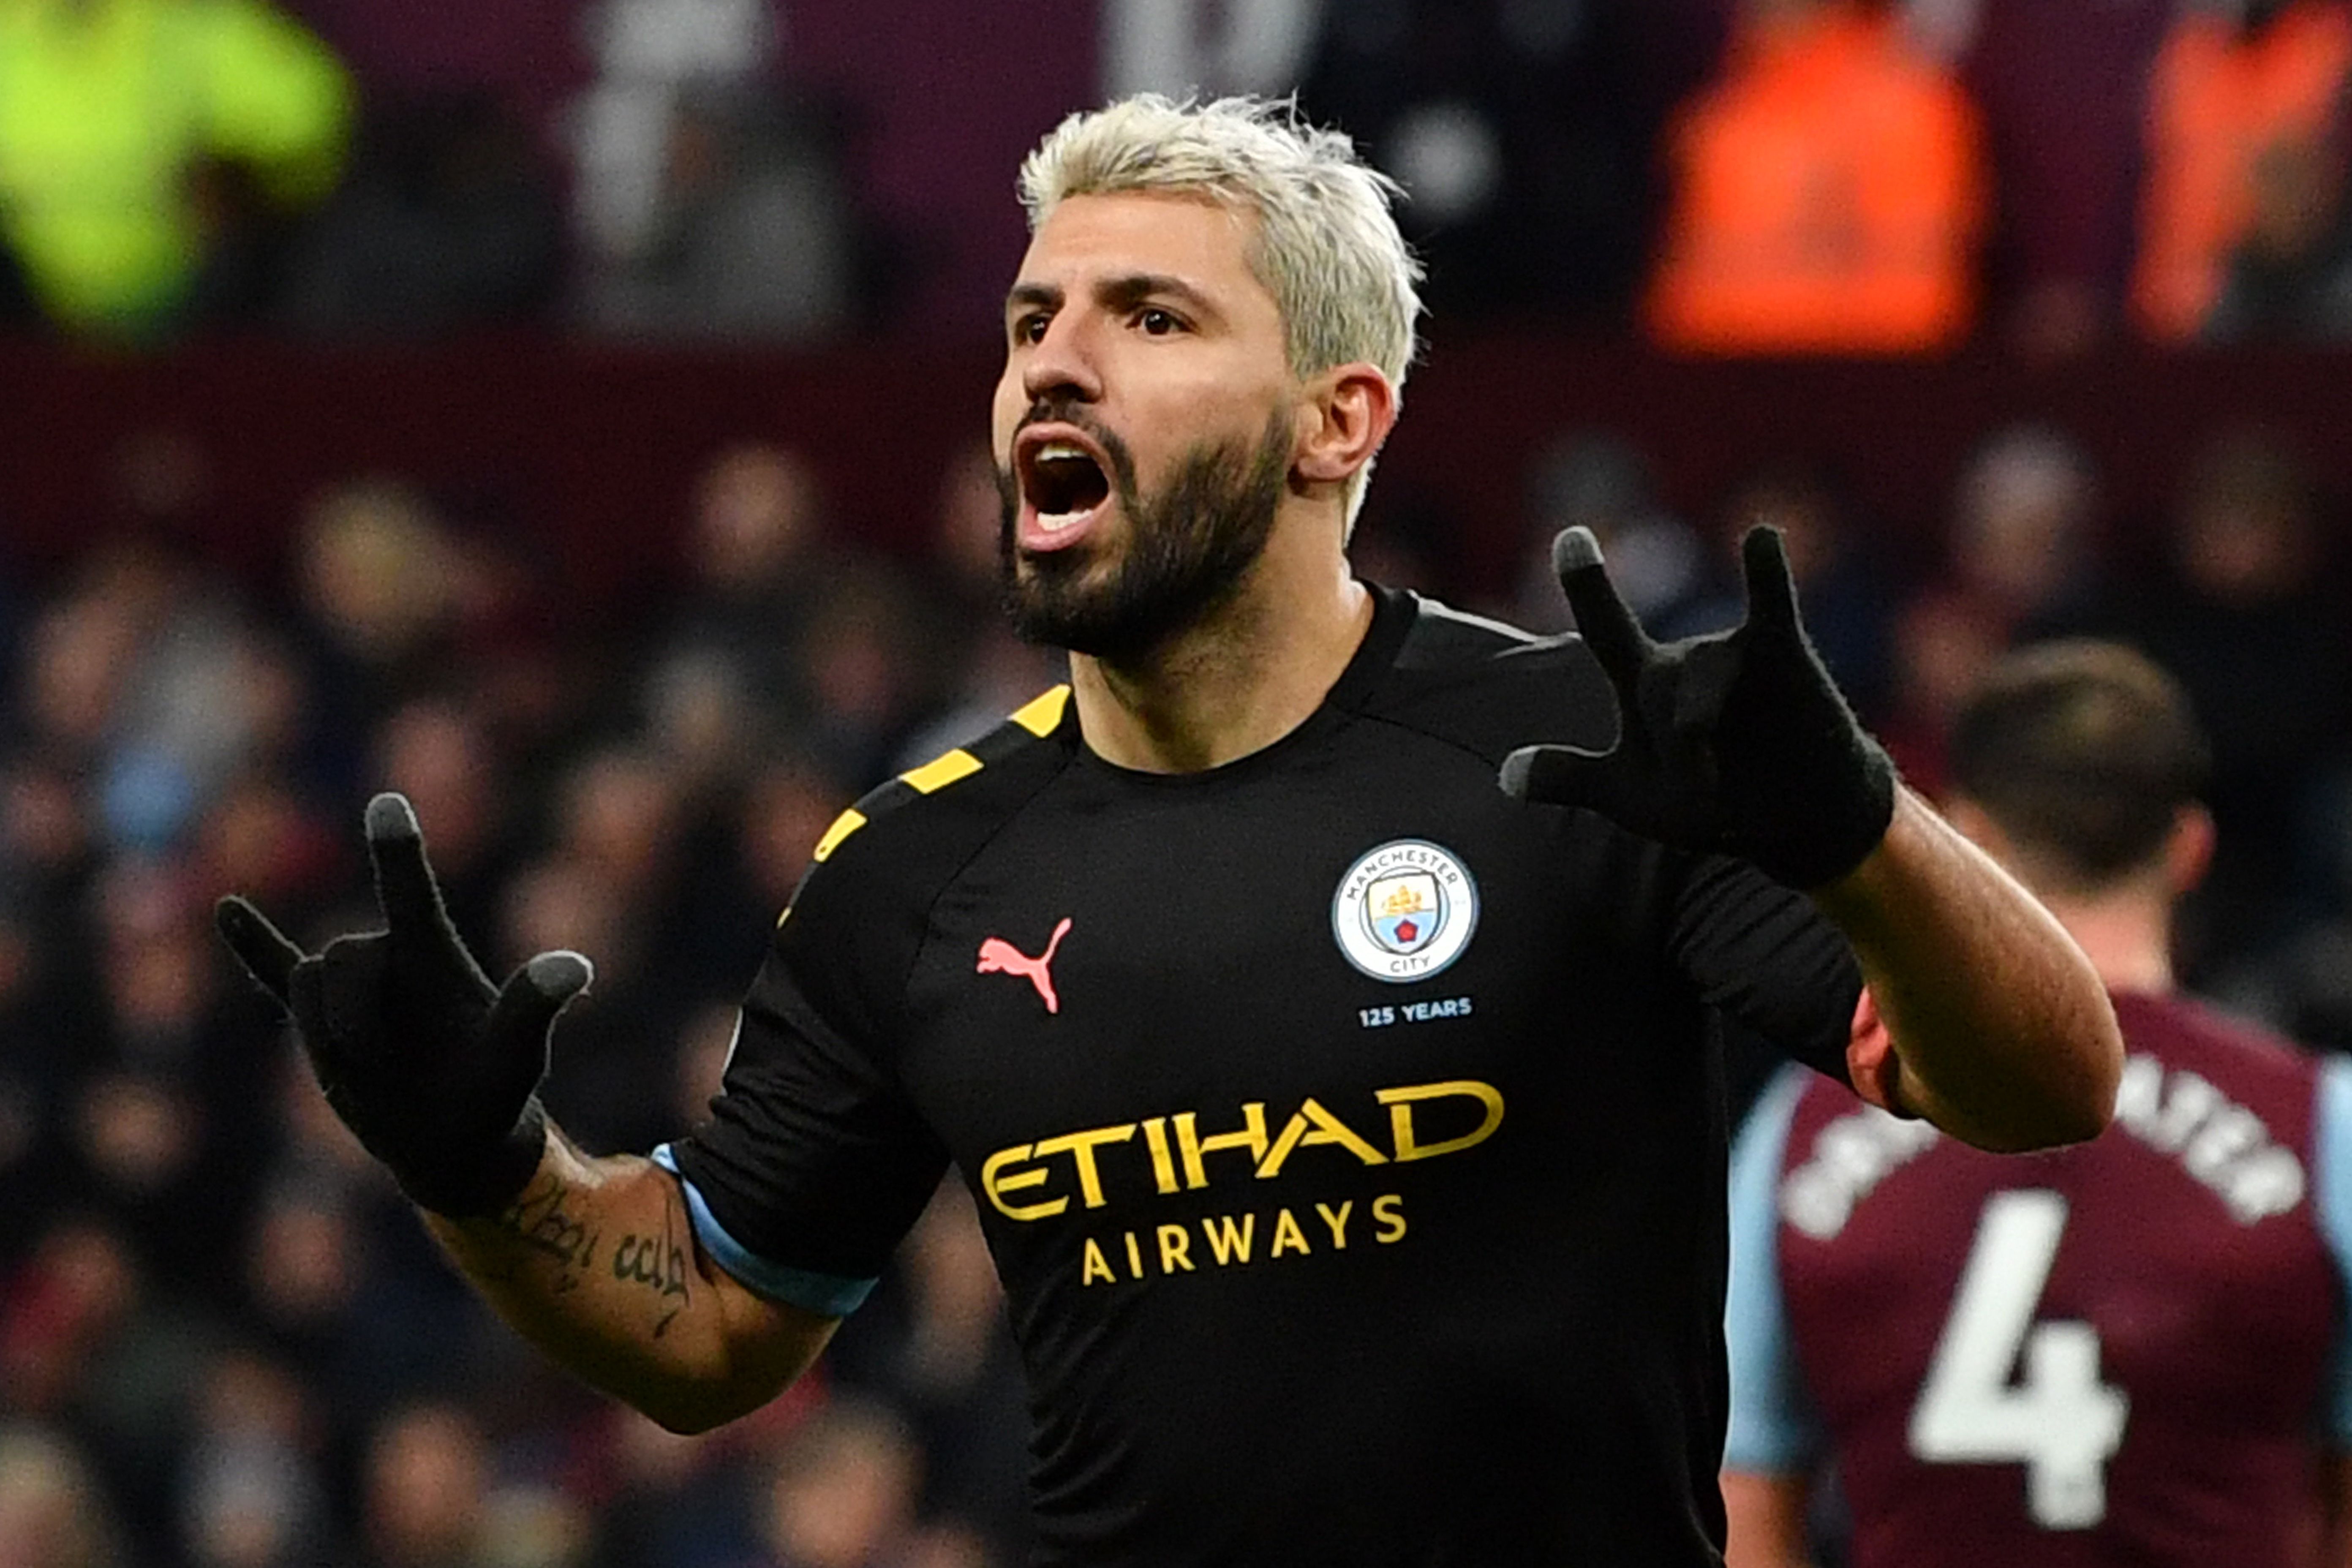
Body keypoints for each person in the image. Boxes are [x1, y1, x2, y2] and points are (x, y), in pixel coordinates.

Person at [214, 95, 2121, 1565]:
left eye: (1148, 316)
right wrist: (482, 1166)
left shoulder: (1586, 755)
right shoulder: (912, 867)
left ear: (1333, 423)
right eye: (1031, 319)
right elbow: (712, 1327)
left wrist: (1861, 829)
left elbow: (2047, 1084)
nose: (1054, 361)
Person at [1720, 639, 2352, 1568]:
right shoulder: (2320, 1122)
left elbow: (1742, 1497)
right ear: (2190, 847)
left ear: (1967, 837)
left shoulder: (1804, 1124)